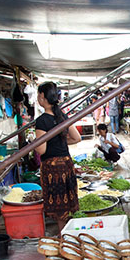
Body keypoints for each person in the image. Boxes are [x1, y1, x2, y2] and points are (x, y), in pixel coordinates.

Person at [34, 81, 82, 232]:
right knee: (67, 203)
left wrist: (33, 142)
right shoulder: (62, 116)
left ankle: (64, 237)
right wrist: (59, 141)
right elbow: (76, 138)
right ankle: (70, 234)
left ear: (42, 96)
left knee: (60, 206)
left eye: (38, 95)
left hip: (53, 168)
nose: (37, 98)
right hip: (66, 164)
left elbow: (41, 150)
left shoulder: (42, 120)